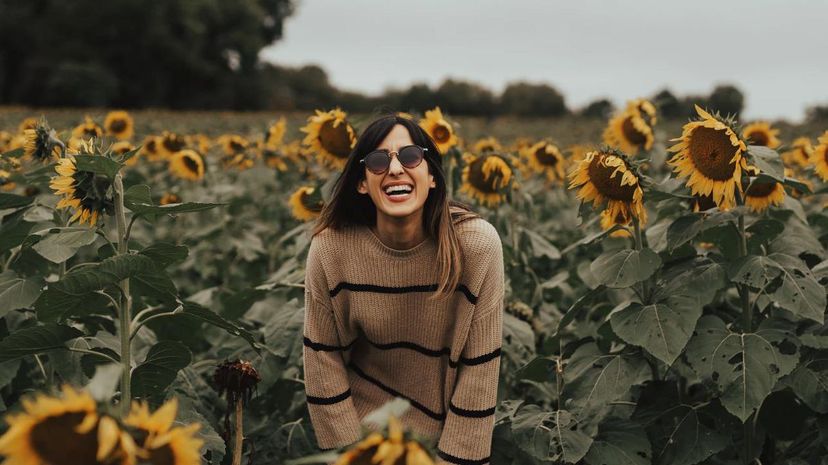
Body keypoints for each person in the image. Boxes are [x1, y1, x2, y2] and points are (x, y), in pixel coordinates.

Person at [302, 113, 504, 465]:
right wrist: (351, 456)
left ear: (432, 177)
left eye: (410, 156)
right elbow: (323, 360)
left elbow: (480, 369)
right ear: (362, 183)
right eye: (379, 161)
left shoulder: (476, 246)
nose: (395, 169)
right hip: (365, 437)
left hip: (441, 444)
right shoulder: (332, 249)